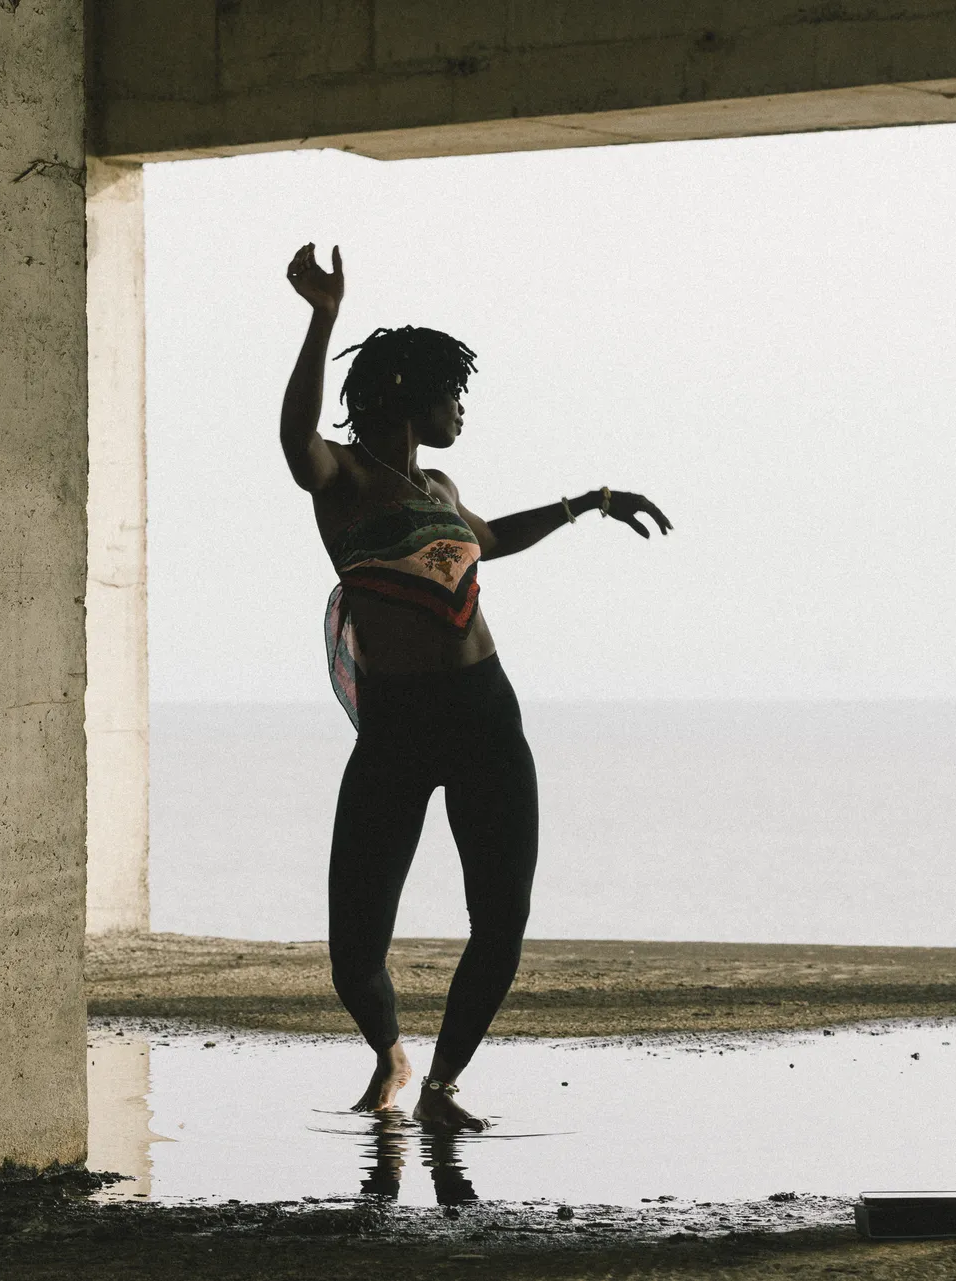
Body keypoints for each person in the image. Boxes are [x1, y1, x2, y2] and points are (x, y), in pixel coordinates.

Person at [281, 243, 671, 1132]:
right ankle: (389, 1052)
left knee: (500, 920)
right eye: (451, 392)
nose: (461, 407)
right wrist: (323, 318)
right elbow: (294, 439)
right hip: (396, 727)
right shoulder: (341, 479)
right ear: (406, 392)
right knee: (353, 952)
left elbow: (491, 538)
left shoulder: (439, 487)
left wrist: (589, 501)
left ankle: (442, 1085)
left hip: (486, 714)